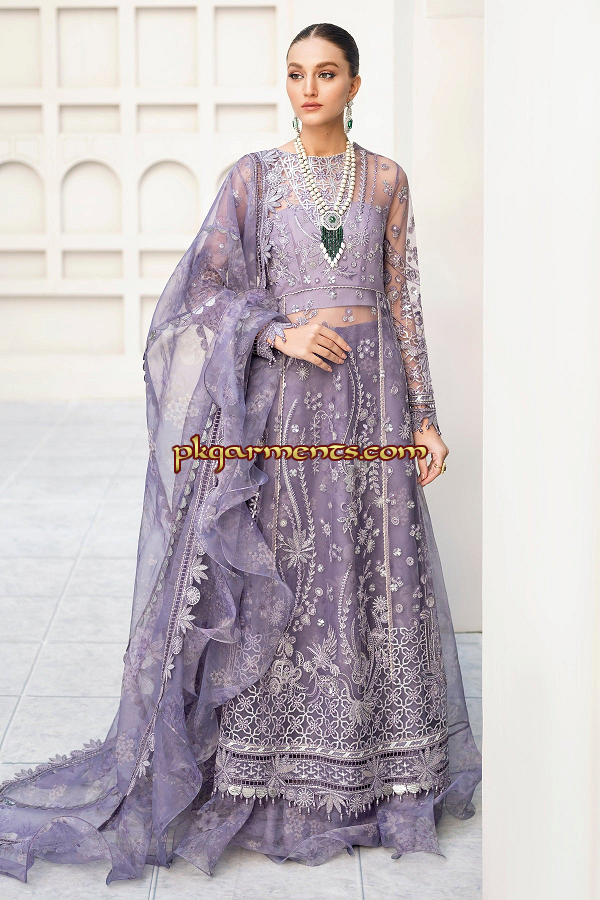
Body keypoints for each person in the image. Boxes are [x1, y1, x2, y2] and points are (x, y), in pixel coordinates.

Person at [0, 22, 481, 883]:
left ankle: (382, 777)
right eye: (296, 73)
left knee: (373, 573)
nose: (308, 89)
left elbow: (403, 302)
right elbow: (205, 290)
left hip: (374, 406)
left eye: (326, 74)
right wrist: (277, 334)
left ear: (355, 85)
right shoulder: (253, 178)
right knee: (292, 577)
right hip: (289, 410)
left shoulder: (386, 179)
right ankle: (277, 779)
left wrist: (428, 420)